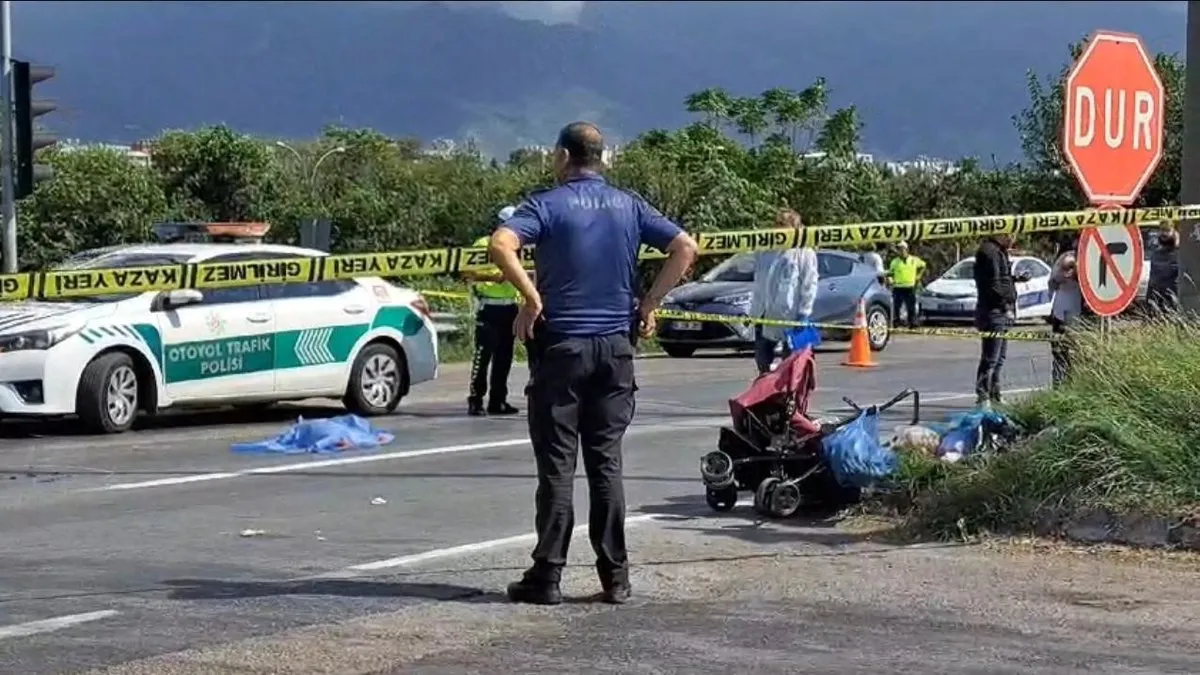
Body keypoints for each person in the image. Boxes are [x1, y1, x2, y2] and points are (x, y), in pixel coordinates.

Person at [488, 121, 698, 606]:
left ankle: (548, 576)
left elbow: (501, 243)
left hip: (562, 347)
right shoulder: (629, 205)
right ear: (602, 158)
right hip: (614, 347)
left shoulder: (545, 204)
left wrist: (531, 297)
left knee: (558, 467)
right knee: (606, 463)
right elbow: (685, 247)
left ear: (562, 155)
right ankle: (615, 577)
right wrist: (649, 303)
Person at [463, 206, 522, 417]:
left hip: (510, 307)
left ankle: (498, 401)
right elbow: (467, 273)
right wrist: (492, 278)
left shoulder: (518, 247)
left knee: (504, 358)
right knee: (483, 356)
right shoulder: (482, 245)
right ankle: (476, 400)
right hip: (489, 307)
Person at [748, 209, 819, 375]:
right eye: (777, 225)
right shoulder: (765, 250)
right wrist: (755, 312)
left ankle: (790, 396)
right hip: (765, 314)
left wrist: (804, 312)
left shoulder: (804, 252)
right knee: (763, 361)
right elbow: (759, 281)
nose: (779, 229)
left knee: (793, 363)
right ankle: (765, 393)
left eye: (784, 225)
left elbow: (809, 283)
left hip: (791, 315)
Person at [972, 233, 1026, 407]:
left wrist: (1014, 280)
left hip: (1000, 311)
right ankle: (983, 396)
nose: (1013, 239)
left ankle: (995, 393)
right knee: (991, 357)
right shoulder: (990, 252)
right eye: (1010, 235)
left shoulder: (999, 251)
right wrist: (1006, 305)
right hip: (993, 311)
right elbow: (993, 284)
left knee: (1000, 357)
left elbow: (1002, 279)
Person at [1048, 236, 1083, 386]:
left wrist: (1076, 274)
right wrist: (1060, 276)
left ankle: (1071, 383)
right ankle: (1058, 383)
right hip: (1060, 311)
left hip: (1078, 311)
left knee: (1074, 352)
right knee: (1058, 351)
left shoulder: (1087, 259)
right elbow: (1052, 282)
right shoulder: (1064, 257)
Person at [886, 241, 926, 329]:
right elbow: (890, 273)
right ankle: (896, 322)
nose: (901, 251)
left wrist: (919, 276)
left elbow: (923, 265)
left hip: (910, 286)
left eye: (902, 249)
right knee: (897, 307)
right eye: (899, 249)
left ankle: (912, 323)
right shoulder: (895, 262)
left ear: (906, 249)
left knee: (911, 306)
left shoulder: (913, 260)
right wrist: (891, 281)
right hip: (898, 287)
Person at [1147, 225, 1180, 316]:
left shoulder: (1156, 254)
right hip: (1165, 297)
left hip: (1162, 297)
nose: (1163, 233)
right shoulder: (1179, 255)